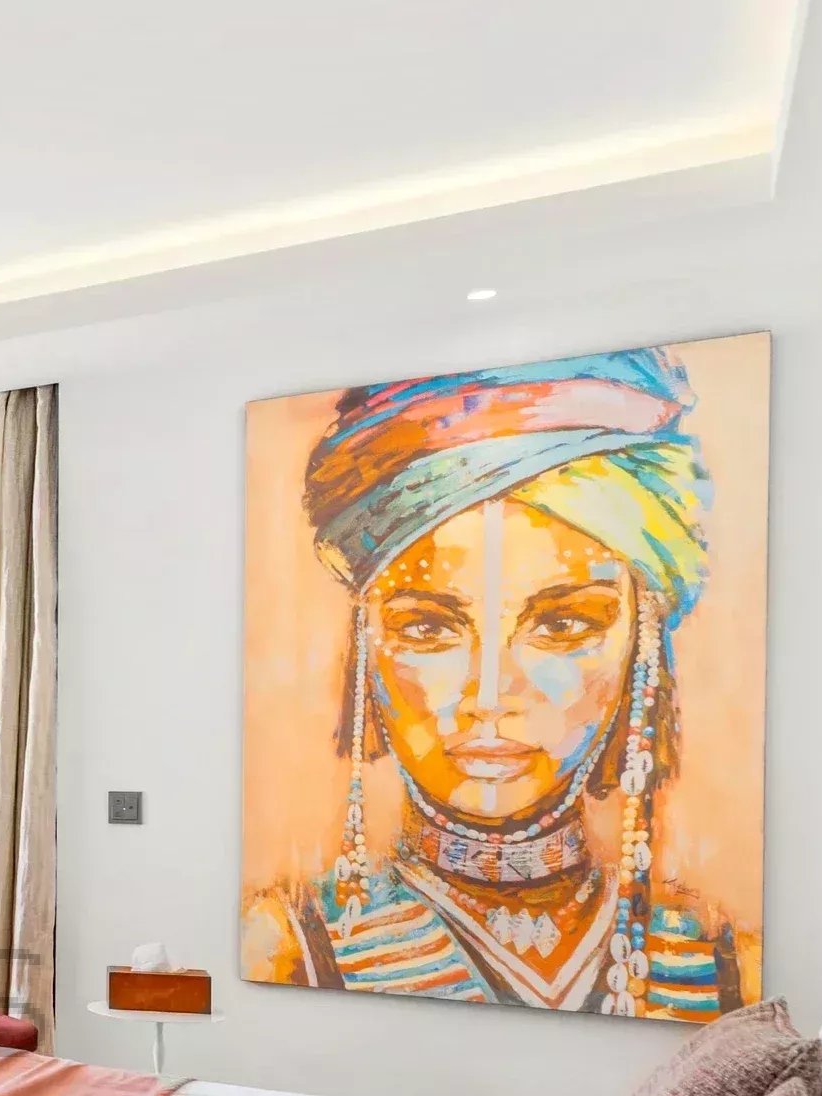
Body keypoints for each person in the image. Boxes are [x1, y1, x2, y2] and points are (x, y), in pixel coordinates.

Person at [241, 348, 747, 1019]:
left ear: (641, 643)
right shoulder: (284, 946)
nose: (487, 696)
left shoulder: (726, 961)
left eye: (562, 625)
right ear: (367, 649)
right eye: (428, 629)